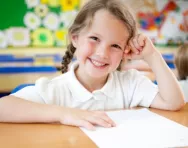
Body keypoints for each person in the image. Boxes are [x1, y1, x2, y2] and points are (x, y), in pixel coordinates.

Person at [0, 0, 185, 130]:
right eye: (94, 38)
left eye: (115, 46)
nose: (102, 53)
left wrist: (152, 55)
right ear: (75, 38)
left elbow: (173, 102)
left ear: (124, 52)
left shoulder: (131, 84)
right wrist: (65, 114)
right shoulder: (54, 89)